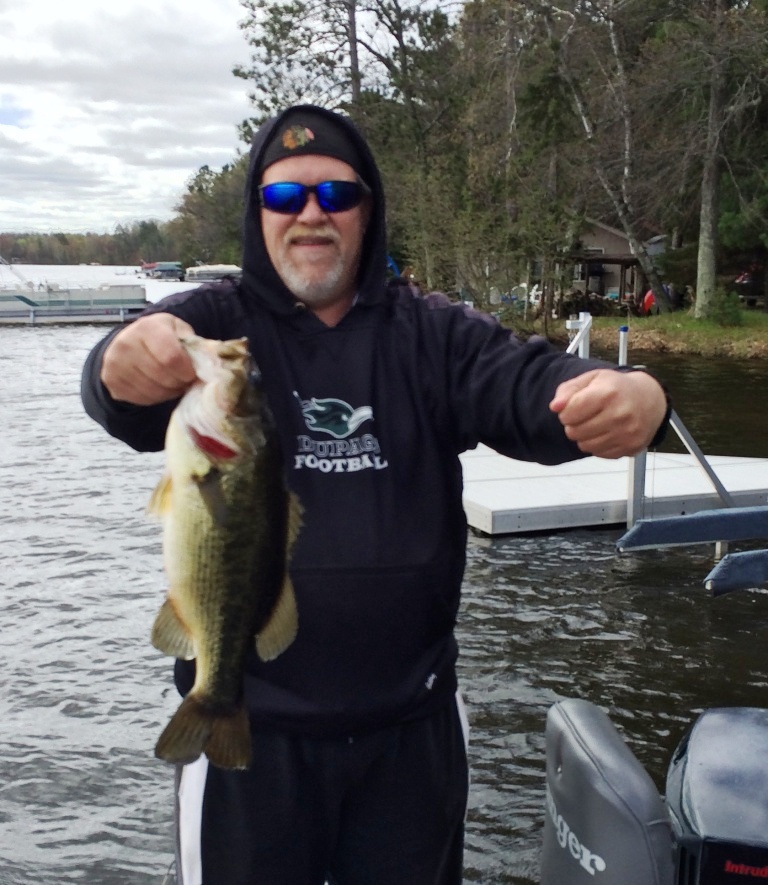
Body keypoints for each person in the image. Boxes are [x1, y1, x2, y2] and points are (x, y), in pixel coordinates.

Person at [81, 105, 670, 885]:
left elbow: (528, 383)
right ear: (258, 214)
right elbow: (119, 382)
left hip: (410, 733)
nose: (312, 215)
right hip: (251, 736)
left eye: (338, 195)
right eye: (286, 198)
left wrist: (633, 394)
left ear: (370, 211)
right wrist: (116, 364)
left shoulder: (433, 333)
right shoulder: (217, 326)